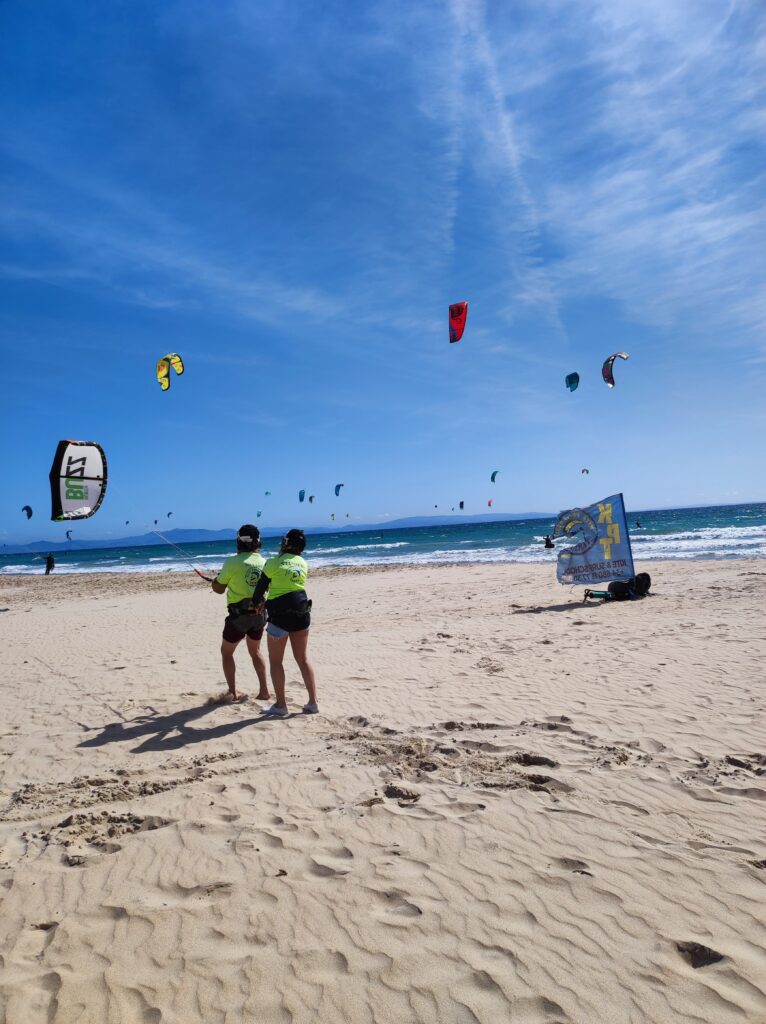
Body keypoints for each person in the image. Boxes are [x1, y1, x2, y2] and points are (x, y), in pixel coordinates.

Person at [251, 528, 318, 717]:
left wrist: (258, 604)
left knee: (276, 661)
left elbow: (259, 591)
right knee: (303, 659)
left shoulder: (272, 563)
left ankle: (281, 705)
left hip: (280, 616)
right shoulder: (303, 563)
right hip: (302, 612)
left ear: (285, 544)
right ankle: (313, 702)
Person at [211, 525, 270, 703]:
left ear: (239, 541)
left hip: (238, 618)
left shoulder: (231, 562)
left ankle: (233, 693)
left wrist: (215, 581)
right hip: (259, 617)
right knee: (255, 651)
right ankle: (264, 691)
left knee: (226, 652)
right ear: (258, 542)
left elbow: (219, 589)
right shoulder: (265, 562)